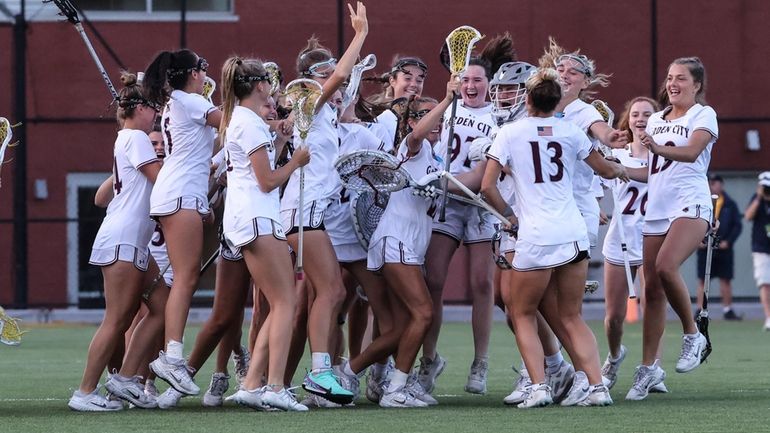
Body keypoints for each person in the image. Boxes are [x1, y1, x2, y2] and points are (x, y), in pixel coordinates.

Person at [481, 66, 628, 408]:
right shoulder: (570, 131)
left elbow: (488, 186)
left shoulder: (510, 132)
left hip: (536, 235)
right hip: (573, 232)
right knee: (571, 315)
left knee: (522, 312)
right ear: (556, 99)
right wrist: (624, 168)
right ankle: (597, 387)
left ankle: (539, 386)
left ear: (528, 99)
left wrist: (510, 216)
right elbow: (606, 169)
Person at [278, 2, 368, 404]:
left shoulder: (327, 114)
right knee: (330, 291)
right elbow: (343, 75)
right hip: (305, 209)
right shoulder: (307, 105)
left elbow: (346, 87)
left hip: (313, 210)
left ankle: (278, 380)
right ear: (309, 81)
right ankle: (317, 374)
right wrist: (360, 34)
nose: (333, 77)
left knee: (323, 295)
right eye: (323, 73)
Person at [420, 34, 516, 396]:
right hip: (446, 203)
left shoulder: (498, 118)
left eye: (478, 80)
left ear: (489, 85)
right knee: (433, 280)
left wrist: (448, 183)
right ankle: (429, 359)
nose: (471, 85)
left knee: (481, 285)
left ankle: (480, 361)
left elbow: (486, 173)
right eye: (466, 79)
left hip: (481, 203)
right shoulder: (446, 108)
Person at [625, 57, 718, 401]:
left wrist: (657, 147)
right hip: (658, 207)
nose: (673, 83)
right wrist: (613, 168)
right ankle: (649, 368)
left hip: (691, 203)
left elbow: (692, 153)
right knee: (652, 291)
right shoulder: (658, 118)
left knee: (666, 266)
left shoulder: (702, 115)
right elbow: (651, 172)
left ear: (696, 84)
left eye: (681, 78)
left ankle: (694, 335)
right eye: (669, 78)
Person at [68, 72, 162, 411]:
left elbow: (104, 195)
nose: (157, 114)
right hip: (123, 239)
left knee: (163, 306)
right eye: (153, 107)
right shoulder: (136, 137)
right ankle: (85, 391)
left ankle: (124, 380)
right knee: (117, 319)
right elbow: (161, 180)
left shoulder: (127, 139)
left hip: (133, 240)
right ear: (137, 108)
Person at [142, 48, 223, 396]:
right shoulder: (190, 102)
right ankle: (172, 356)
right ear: (193, 73)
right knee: (186, 277)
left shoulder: (178, 102)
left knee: (185, 277)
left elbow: (210, 146)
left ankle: (166, 358)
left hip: (180, 193)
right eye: (203, 69)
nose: (206, 76)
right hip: (179, 195)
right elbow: (231, 124)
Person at [695, 174, 743, 320]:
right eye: (710, 183)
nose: (712, 186)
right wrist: (697, 240)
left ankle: (728, 309)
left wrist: (728, 241)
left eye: (715, 183)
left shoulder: (730, 203)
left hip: (723, 248)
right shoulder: (701, 201)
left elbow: (737, 225)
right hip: (705, 246)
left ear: (721, 184)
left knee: (725, 279)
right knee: (702, 279)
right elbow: (694, 221)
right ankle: (699, 309)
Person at [745, 171, 770, 331]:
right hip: (761, 248)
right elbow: (748, 216)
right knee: (765, 283)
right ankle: (769, 317)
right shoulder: (757, 200)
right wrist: (760, 197)